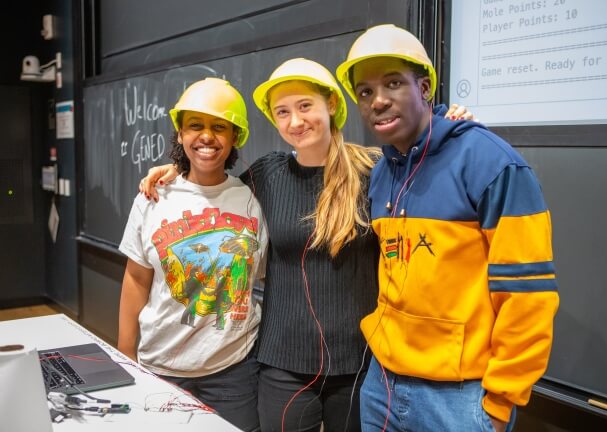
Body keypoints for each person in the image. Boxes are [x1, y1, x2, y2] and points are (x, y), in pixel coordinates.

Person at [139, 61, 471, 432]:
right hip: (282, 364)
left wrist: (447, 127)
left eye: (305, 106)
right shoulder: (266, 175)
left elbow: (428, 173)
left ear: (330, 104)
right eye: (283, 112)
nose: (295, 121)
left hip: (360, 363)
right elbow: (212, 187)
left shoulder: (374, 170)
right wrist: (174, 170)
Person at [334, 24, 560, 432]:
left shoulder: (491, 163)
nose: (378, 101)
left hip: (459, 400)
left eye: (392, 83)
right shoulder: (383, 171)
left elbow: (528, 297)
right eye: (365, 92)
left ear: (424, 88)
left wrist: (499, 405)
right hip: (381, 385)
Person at [117, 77, 268, 432]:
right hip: (161, 365)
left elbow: (266, 274)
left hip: (235, 369)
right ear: (181, 134)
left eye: (219, 127)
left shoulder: (252, 197)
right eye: (195, 126)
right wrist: (124, 355)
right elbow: (136, 279)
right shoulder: (154, 197)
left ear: (234, 138)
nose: (206, 136)